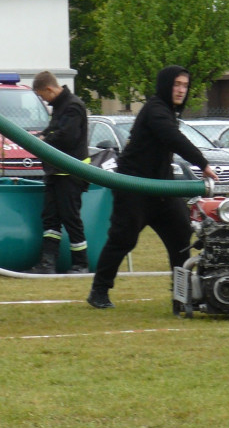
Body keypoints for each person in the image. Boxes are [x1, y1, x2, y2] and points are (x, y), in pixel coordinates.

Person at [87, 65, 217, 309]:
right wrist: (203, 163)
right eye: (176, 85)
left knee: (181, 236)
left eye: (185, 86)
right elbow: (172, 138)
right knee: (123, 239)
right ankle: (99, 292)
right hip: (133, 186)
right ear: (165, 86)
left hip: (161, 189)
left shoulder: (168, 112)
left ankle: (183, 294)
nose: (181, 90)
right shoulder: (155, 110)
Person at [25, 71, 90, 274]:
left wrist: (45, 139)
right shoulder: (61, 107)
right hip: (55, 172)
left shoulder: (73, 106)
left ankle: (81, 264)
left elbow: (67, 137)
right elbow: (53, 130)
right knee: (50, 218)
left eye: (42, 96)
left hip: (71, 173)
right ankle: (48, 263)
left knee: (71, 218)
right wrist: (38, 136)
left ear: (50, 89)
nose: (43, 100)